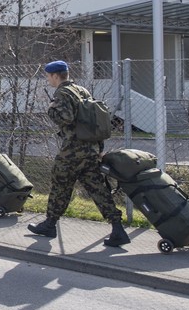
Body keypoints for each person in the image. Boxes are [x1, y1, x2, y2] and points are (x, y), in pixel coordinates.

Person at [27, 60, 130, 247]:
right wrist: (98, 148)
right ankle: (118, 228)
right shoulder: (81, 90)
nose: (48, 80)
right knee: (98, 189)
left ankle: (50, 224)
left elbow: (65, 117)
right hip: (90, 150)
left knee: (60, 185)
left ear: (55, 76)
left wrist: (51, 110)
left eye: (48, 76)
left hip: (72, 151)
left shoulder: (63, 93)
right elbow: (94, 120)